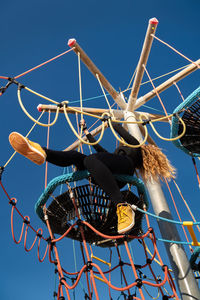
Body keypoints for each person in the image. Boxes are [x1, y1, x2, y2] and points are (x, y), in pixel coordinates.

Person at [9, 120, 175, 234]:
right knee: (77, 156)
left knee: (89, 159)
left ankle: (122, 207)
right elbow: (99, 150)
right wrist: (87, 132)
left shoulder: (135, 147)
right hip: (105, 174)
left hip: (124, 169)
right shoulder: (112, 156)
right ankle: (41, 151)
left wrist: (111, 122)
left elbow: (124, 133)